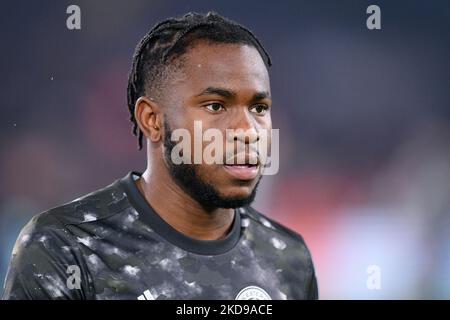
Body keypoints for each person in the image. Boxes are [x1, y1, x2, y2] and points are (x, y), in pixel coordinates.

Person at [2, 12, 317, 300]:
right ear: (151, 120)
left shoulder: (288, 259)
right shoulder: (66, 248)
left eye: (259, 108)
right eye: (215, 106)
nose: (248, 131)